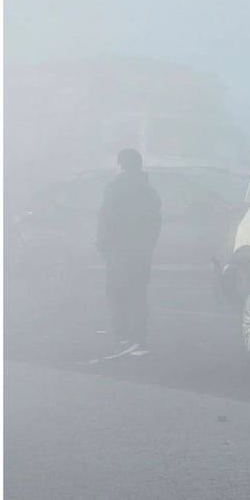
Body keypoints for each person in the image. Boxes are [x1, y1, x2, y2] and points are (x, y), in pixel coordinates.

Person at [96, 148, 162, 355]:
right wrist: (149, 244)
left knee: (116, 292)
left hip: (119, 250)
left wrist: (102, 243)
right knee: (138, 293)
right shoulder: (149, 191)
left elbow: (105, 216)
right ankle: (139, 337)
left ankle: (122, 335)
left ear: (121, 164)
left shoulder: (115, 187)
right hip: (142, 250)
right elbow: (156, 222)